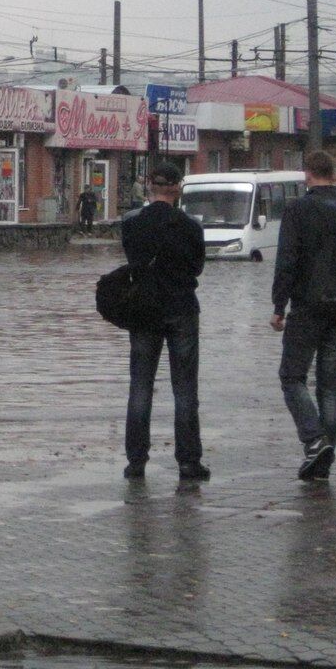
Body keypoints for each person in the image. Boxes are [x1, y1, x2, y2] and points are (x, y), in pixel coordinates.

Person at [269, 150, 336, 481]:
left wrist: (278, 306)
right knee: (331, 386)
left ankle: (314, 440)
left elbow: (287, 261)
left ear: (308, 174)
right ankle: (323, 461)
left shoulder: (297, 209)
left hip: (307, 305)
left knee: (292, 377)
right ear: (333, 173)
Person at [119, 163, 209, 481]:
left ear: (150, 186)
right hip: (182, 309)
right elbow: (197, 268)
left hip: (144, 311)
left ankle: (136, 462)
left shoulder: (132, 224)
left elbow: (132, 260)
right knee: (184, 388)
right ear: (177, 188)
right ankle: (188, 462)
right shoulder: (191, 227)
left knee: (140, 386)